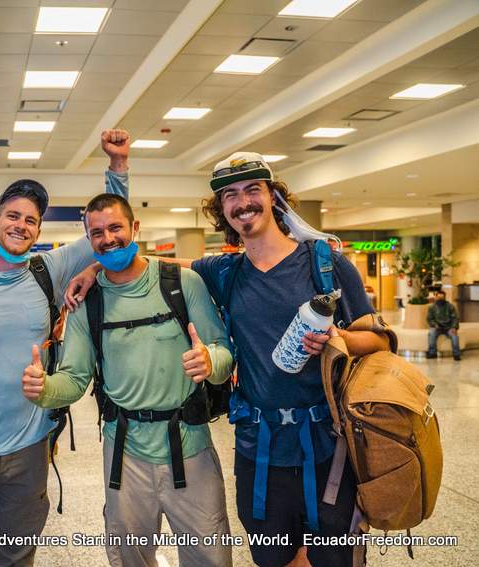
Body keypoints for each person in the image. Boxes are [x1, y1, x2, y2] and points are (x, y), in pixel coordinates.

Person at [66, 147, 393, 567]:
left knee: (333, 559)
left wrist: (339, 339)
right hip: (260, 448)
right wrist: (97, 268)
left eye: (252, 189)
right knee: (272, 559)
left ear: (273, 196)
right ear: (222, 209)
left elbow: (381, 341)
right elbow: (149, 265)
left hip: (327, 446)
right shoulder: (225, 273)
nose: (243, 202)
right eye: (230, 195)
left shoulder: (323, 262)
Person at [0, 130, 129, 567]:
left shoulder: (45, 270)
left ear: (38, 231)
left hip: (30, 447)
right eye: (12, 215)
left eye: (31, 220)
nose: (21, 225)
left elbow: (107, 233)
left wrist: (118, 167)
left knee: (17, 557)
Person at [22, 193, 234, 567]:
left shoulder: (183, 283)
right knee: (128, 557)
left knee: (209, 558)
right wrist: (45, 390)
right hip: (125, 453)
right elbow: (73, 378)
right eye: (97, 232)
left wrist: (209, 361)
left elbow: (223, 351)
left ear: (135, 228)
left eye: (116, 227)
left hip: (191, 446)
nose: (108, 238)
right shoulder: (89, 302)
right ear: (89, 240)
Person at [427, 289, 461, 360]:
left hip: (448, 327)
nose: (440, 299)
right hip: (437, 327)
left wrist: (454, 327)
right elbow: (429, 319)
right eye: (439, 298)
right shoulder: (432, 307)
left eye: (442, 298)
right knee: (431, 333)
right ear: (436, 297)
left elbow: (455, 318)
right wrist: (434, 324)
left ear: (445, 298)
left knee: (454, 336)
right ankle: (432, 353)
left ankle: (456, 354)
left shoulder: (450, 306)